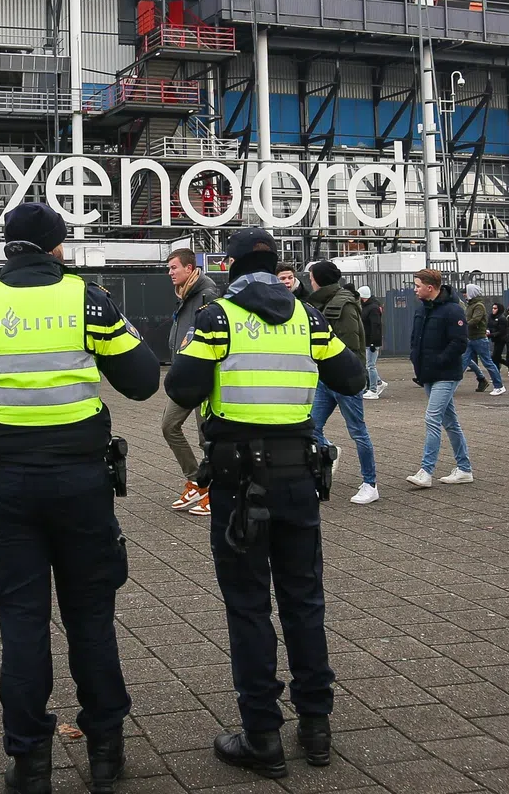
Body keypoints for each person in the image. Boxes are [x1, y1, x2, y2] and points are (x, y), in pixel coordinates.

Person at [0, 203, 158, 794]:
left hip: (8, 486)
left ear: (7, 248)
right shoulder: (89, 301)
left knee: (23, 623)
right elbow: (145, 381)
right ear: (58, 249)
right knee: (91, 617)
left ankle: (29, 762)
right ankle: (105, 751)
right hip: (82, 483)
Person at [163, 227, 364, 781]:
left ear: (229, 265)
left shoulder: (218, 317)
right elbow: (352, 375)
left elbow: (179, 389)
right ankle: (317, 725)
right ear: (276, 264)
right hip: (299, 475)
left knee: (249, 605)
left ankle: (262, 736)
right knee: (305, 599)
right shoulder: (305, 317)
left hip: (237, 482)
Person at [307, 261, 379, 505]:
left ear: (319, 279)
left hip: (345, 379)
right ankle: (321, 475)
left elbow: (351, 345)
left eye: (311, 276)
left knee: (358, 431)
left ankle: (370, 483)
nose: (309, 280)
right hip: (325, 377)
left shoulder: (342, 304)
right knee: (311, 428)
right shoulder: (320, 301)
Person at [406, 269, 474, 488]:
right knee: (449, 421)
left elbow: (460, 343)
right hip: (428, 374)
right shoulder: (422, 309)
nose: (415, 289)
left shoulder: (453, 310)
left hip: (446, 373)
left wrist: (439, 360)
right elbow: (416, 338)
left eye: (417, 285)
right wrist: (415, 357)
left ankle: (426, 471)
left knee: (432, 418)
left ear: (430, 287)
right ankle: (464, 468)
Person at [166, 248, 221, 515]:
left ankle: (214, 490)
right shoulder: (184, 294)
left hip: (202, 377)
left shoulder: (207, 294)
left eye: (174, 267)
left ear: (190, 268)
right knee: (169, 426)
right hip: (183, 376)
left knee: (205, 437)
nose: (170, 272)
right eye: (169, 268)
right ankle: (197, 480)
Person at [462, 283, 505, 395]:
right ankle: (450, 386)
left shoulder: (478, 306)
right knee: (463, 361)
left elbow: (475, 320)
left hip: (479, 338)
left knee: (488, 363)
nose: (464, 294)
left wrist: (463, 325)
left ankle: (499, 386)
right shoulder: (470, 305)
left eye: (466, 292)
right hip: (470, 338)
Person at [358, 285, 388, 399]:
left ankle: (373, 389)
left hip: (371, 341)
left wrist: (373, 343)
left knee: (370, 365)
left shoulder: (372, 308)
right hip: (368, 341)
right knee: (369, 365)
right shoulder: (369, 307)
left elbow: (376, 326)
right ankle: (379, 383)